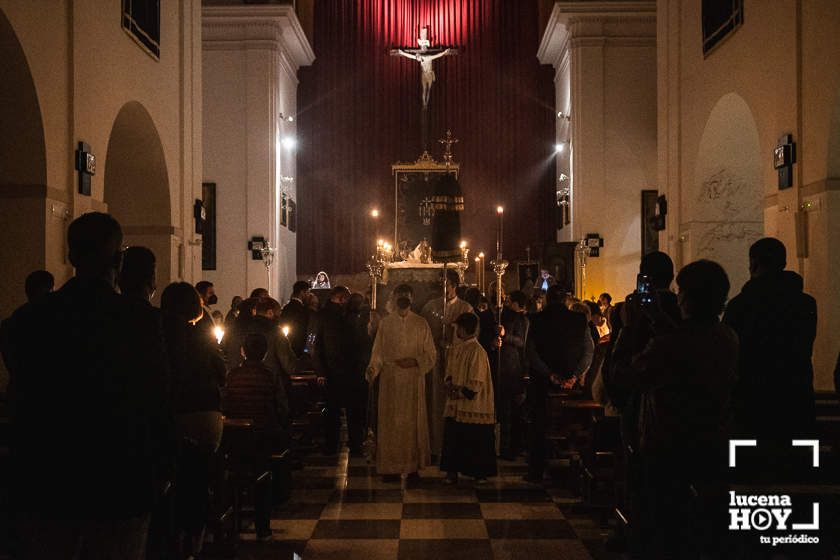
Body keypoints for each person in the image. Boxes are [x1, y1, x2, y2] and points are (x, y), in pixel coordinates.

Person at [4, 213, 171, 559]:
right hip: (119, 478)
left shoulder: (27, 319)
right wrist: (164, 467)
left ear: (71, 256)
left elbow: (19, 394)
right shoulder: (139, 320)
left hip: (46, 479)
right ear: (119, 260)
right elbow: (156, 398)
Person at [610, 260, 737, 558]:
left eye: (681, 292)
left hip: (668, 449)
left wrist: (627, 331)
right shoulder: (727, 337)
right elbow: (689, 343)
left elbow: (623, 377)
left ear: (688, 297)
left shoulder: (672, 344)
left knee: (664, 532)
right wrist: (658, 323)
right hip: (711, 445)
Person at [723, 238, 818, 444]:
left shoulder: (740, 306)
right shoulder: (806, 304)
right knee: (798, 468)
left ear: (753, 264)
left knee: (749, 467)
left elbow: (730, 353)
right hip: (795, 396)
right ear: (783, 264)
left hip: (751, 399)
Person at [161, 282, 226, 556]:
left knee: (172, 479)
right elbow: (220, 372)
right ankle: (195, 539)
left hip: (173, 414)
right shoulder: (201, 335)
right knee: (198, 477)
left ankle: (173, 537)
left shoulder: (157, 333)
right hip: (203, 415)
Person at [367, 285, 437, 479]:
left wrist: (415, 361)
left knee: (411, 423)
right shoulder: (386, 324)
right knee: (391, 424)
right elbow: (378, 352)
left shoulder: (421, 323)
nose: (403, 299)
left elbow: (431, 354)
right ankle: (390, 468)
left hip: (413, 380)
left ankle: (412, 467)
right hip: (390, 381)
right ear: (395, 297)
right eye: (400, 295)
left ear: (412, 298)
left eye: (407, 296)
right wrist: (373, 368)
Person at [524, 284, 591, 482]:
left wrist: (548, 375)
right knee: (570, 423)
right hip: (571, 384)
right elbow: (589, 351)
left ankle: (536, 470)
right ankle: (575, 471)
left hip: (542, 382)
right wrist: (575, 375)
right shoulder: (579, 320)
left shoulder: (536, 319)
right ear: (565, 301)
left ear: (547, 299)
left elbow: (530, 352)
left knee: (538, 425)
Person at [223, 333, 284, 540]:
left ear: (243, 351)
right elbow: (281, 407)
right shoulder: (270, 375)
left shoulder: (232, 375)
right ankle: (262, 527)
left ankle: (229, 525)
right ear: (265, 353)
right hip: (262, 437)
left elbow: (226, 404)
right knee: (262, 474)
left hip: (234, 438)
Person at [421, 268, 473, 457]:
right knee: (435, 403)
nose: (444, 289)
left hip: (457, 363)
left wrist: (452, 342)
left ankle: (456, 449)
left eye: (447, 285)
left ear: (455, 286)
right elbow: (423, 335)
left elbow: (472, 337)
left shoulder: (465, 308)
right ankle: (435, 446)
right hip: (435, 362)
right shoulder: (430, 307)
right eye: (441, 285)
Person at [441, 313, 497, 484]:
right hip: (456, 403)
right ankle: (452, 471)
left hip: (473, 405)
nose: (455, 331)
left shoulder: (477, 351)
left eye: (458, 328)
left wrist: (462, 392)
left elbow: (477, 380)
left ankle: (479, 472)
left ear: (464, 329)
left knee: (475, 438)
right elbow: (449, 371)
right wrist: (449, 383)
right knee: (453, 437)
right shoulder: (457, 349)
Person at [314, 286, 365, 454]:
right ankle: (352, 444)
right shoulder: (328, 315)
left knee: (335, 410)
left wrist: (321, 370)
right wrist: (320, 371)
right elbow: (316, 345)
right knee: (346, 410)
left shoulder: (331, 315)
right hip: (342, 370)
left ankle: (333, 445)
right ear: (341, 298)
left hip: (335, 370)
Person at [497, 290, 529, 460]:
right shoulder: (504, 315)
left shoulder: (521, 319)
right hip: (504, 368)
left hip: (513, 368)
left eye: (509, 300)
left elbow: (521, 341)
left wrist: (505, 335)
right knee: (504, 410)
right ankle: (503, 446)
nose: (506, 302)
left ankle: (512, 447)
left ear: (517, 303)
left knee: (513, 411)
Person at [281, 280, 312, 356]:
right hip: (298, 347)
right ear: (302, 292)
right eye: (308, 292)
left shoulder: (286, 308)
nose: (309, 295)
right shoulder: (302, 310)